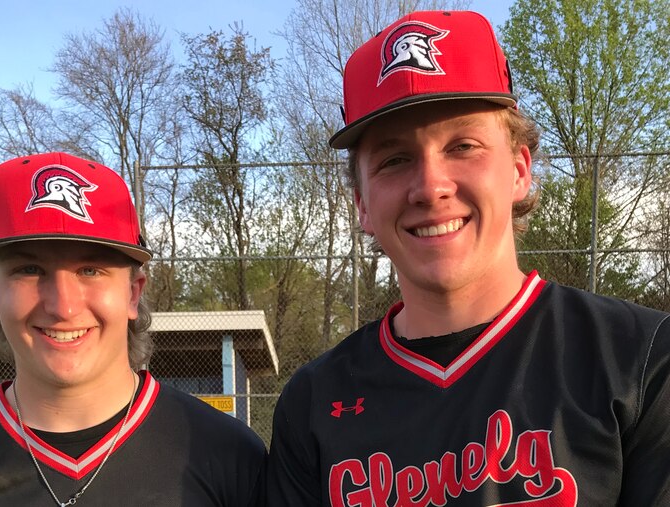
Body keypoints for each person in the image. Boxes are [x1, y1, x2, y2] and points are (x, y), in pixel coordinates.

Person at [267, 10, 670, 506]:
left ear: (520, 170)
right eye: (395, 159)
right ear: (362, 205)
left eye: (463, 145)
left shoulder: (643, 360)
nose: (431, 186)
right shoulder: (312, 404)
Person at [0, 152, 267, 506]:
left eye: (90, 270)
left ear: (132, 292)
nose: (64, 307)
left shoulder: (227, 454)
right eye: (30, 270)